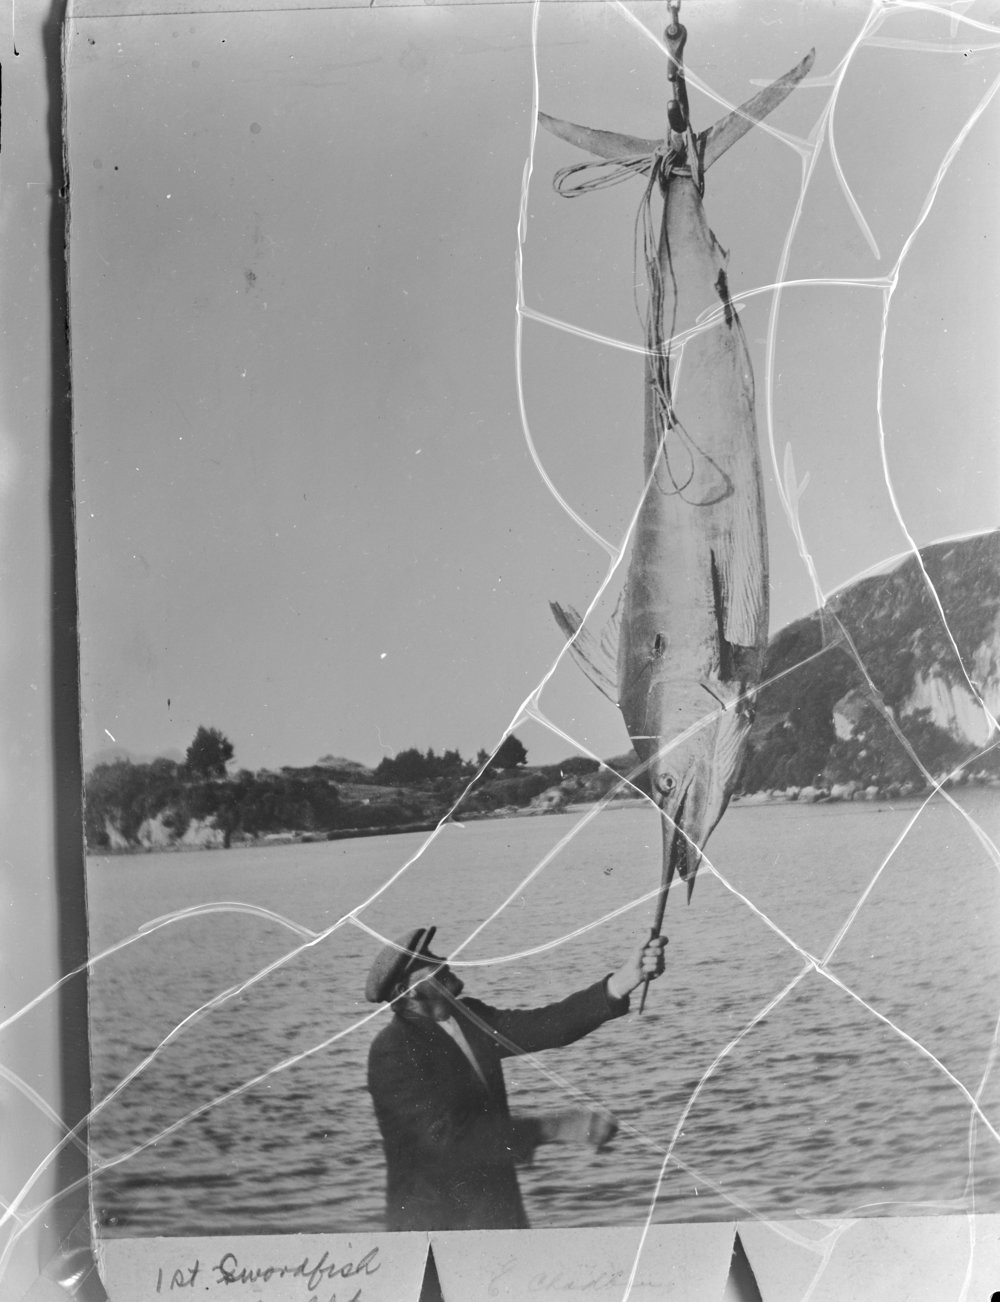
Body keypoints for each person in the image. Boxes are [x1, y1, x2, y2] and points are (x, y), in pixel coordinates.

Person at [365, 924, 667, 1231]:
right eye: (428, 961)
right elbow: (450, 1142)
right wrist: (556, 1127)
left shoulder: (468, 1015)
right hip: (435, 1229)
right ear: (410, 991)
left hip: (498, 1216)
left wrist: (625, 979)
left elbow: (547, 1026)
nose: (443, 960)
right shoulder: (393, 1050)